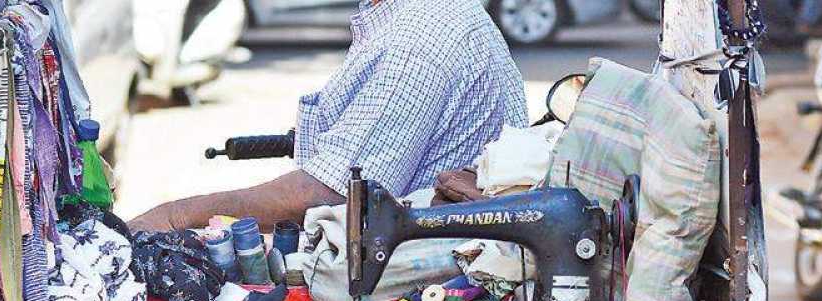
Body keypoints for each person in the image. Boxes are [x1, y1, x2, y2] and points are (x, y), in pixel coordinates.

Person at [128, 0, 529, 232]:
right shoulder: (413, 17)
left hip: (427, 287)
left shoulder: (419, 36)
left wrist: (175, 216)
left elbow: (329, 195)